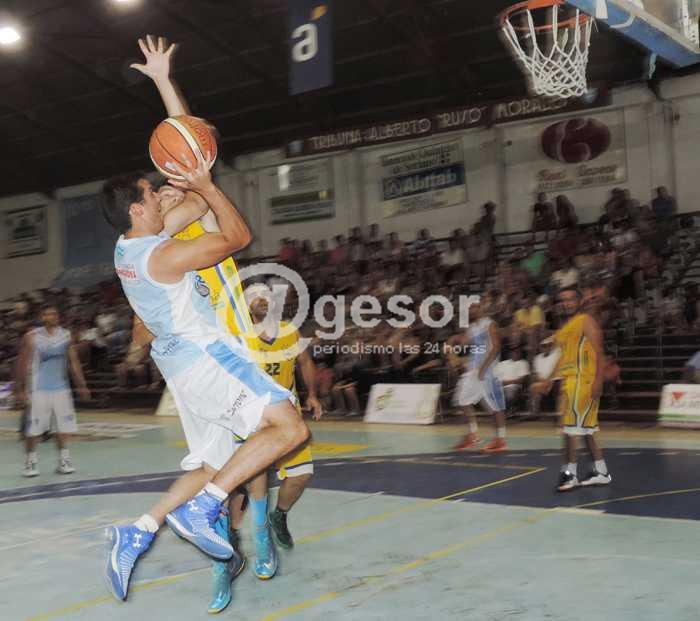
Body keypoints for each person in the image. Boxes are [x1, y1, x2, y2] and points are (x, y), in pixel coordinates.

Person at [99, 49, 309, 607]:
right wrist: (194, 184)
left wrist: (165, 82)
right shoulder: (172, 244)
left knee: (223, 461)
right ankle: (216, 525)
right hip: (210, 352)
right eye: (153, 191)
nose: (159, 189)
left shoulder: (139, 239)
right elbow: (209, 193)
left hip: (189, 361)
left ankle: (143, 529)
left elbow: (186, 146)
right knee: (281, 430)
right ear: (142, 208)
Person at [207, 286, 323, 613]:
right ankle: (241, 539)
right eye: (254, 297)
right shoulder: (238, 335)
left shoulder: (289, 331)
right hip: (249, 415)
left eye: (266, 296)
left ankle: (278, 516)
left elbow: (304, 360)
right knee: (242, 481)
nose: (262, 300)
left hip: (285, 414)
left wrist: (312, 394)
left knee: (301, 476)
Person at [533, 287, 611, 492]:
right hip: (570, 382)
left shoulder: (585, 320)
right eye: (562, 300)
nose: (566, 303)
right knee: (585, 430)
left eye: (570, 299)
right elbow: (562, 358)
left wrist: (599, 381)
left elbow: (599, 352)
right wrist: (549, 380)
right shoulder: (565, 328)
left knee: (569, 431)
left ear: (579, 302)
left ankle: (569, 475)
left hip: (583, 381)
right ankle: (601, 472)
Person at [14, 306, 90, 477]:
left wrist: (82, 385)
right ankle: (31, 462)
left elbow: (74, 362)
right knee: (34, 430)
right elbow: (23, 362)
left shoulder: (66, 335)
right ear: (42, 317)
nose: (52, 316)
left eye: (54, 313)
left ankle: (64, 460)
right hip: (38, 389)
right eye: (48, 314)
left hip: (61, 389)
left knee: (64, 427)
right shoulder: (32, 336)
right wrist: (20, 388)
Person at [450, 300, 507, 452]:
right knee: (462, 399)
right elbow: (463, 344)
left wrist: (484, 368)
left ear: (482, 308)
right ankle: (472, 435)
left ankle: (500, 440)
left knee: (495, 407)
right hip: (473, 371)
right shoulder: (472, 327)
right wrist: (452, 344)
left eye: (474, 307)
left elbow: (496, 347)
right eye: (469, 309)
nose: (471, 310)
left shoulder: (489, 324)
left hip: (488, 371)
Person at [495, 347, 530, 415]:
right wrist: (500, 384)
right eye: (514, 352)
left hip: (513, 386)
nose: (516, 354)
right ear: (510, 353)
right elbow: (495, 378)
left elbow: (521, 380)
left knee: (509, 393)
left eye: (518, 352)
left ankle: (507, 411)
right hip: (499, 385)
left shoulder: (523, 363)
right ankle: (502, 412)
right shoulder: (502, 364)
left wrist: (506, 383)